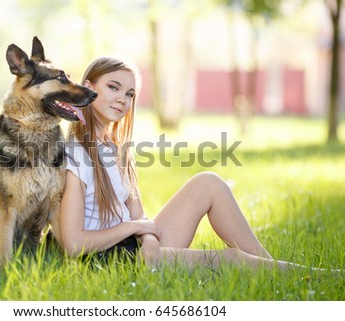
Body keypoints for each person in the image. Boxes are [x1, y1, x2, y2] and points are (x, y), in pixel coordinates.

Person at [58, 56, 330, 271]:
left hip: (134, 246)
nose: (122, 98)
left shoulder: (117, 150)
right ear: (88, 88)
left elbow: (140, 217)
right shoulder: (76, 154)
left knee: (208, 183)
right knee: (232, 260)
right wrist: (134, 229)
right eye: (113, 87)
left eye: (130, 94)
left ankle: (272, 269)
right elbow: (72, 244)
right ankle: (312, 276)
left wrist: (149, 239)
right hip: (103, 259)